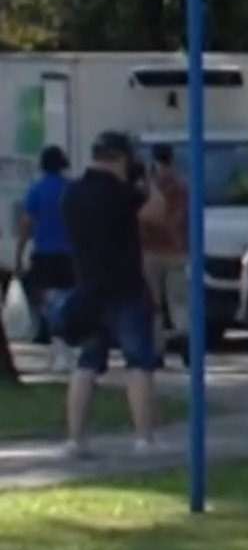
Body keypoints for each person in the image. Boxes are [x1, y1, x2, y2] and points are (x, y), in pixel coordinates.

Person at [57, 131, 168, 458]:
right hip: (126, 288)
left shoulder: (73, 194)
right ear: (121, 157)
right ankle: (144, 438)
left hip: (88, 287)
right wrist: (151, 183)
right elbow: (157, 214)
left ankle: (75, 439)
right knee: (138, 363)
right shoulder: (123, 194)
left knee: (87, 364)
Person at [15, 146, 75, 371]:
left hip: (44, 252)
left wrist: (19, 254)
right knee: (67, 298)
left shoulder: (36, 190)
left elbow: (26, 225)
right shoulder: (71, 188)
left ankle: (56, 343)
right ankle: (64, 345)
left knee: (46, 300)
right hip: (70, 253)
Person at [139, 144, 191, 368]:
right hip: (178, 249)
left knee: (154, 304)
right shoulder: (182, 186)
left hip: (152, 249)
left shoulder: (149, 187)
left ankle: (156, 350)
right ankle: (186, 339)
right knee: (179, 301)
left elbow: (143, 218)